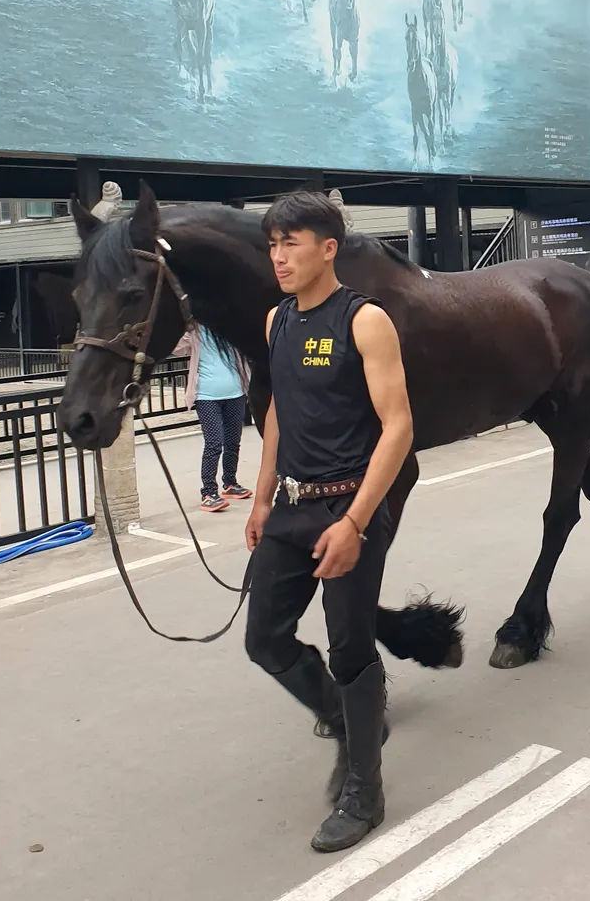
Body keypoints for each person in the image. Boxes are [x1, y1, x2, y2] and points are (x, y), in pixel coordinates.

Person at [244, 191, 414, 853]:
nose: (279, 257)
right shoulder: (277, 321)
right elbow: (279, 414)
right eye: (272, 244)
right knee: (264, 639)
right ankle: (352, 723)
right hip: (289, 506)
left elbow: (398, 427)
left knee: (348, 649)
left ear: (328, 248)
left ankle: (365, 790)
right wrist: (261, 498)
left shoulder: (364, 321)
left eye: (291, 242)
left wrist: (354, 522)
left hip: (350, 506)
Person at [174, 325, 253, 512]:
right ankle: (208, 493)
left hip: (236, 392)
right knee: (214, 443)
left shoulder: (232, 329)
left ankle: (230, 483)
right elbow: (174, 348)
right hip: (206, 396)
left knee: (233, 442)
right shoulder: (195, 332)